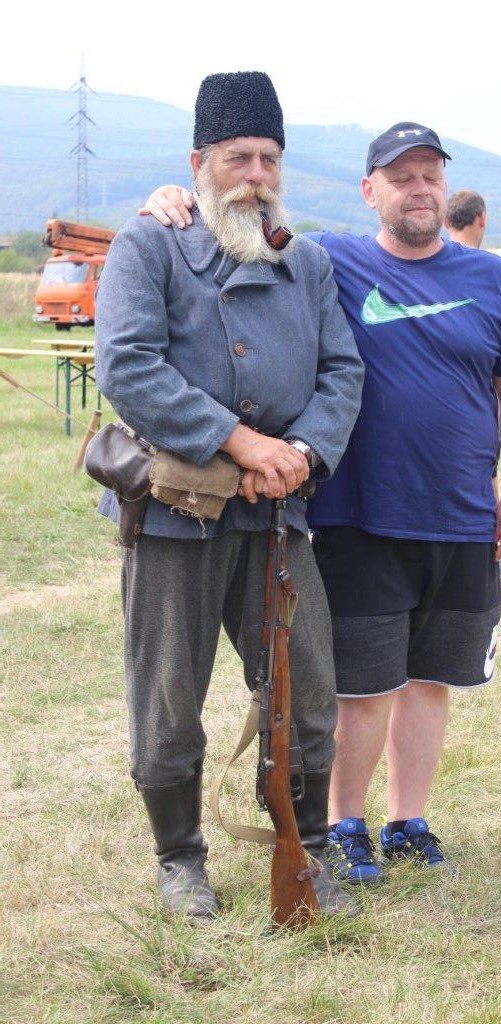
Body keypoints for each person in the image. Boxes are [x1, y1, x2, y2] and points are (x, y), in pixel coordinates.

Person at [144, 120, 501, 886]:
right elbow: (240, 218)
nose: (419, 189)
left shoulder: (490, 278)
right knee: (361, 686)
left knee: (432, 680)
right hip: (360, 515)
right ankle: (346, 823)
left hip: (463, 515)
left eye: (429, 175)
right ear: (368, 191)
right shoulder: (330, 259)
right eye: (401, 177)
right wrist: (173, 198)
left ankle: (408, 821)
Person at [95, 72, 364, 920]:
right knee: (169, 696)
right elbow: (128, 365)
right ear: (198, 163)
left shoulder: (305, 262)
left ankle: (306, 850)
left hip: (277, 511)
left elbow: (342, 371)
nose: (253, 174)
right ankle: (180, 861)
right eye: (236, 157)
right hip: (173, 514)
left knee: (307, 688)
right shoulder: (149, 244)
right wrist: (240, 443)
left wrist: (298, 455)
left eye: (267, 159)